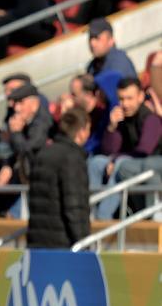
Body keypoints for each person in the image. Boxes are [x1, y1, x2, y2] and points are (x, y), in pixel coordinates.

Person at [90, 78, 162, 219]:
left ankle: (103, 217)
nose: (125, 104)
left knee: (121, 163)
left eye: (130, 98)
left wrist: (115, 159)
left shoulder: (150, 119)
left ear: (140, 97)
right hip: (128, 163)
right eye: (121, 99)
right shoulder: (122, 118)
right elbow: (108, 151)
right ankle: (90, 212)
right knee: (96, 162)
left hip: (149, 166)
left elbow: (144, 151)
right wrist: (112, 128)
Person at [27, 108, 92, 248]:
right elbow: (74, 206)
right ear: (81, 131)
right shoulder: (72, 158)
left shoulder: (43, 154)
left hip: (36, 241)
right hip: (62, 244)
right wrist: (84, 243)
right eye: (88, 130)